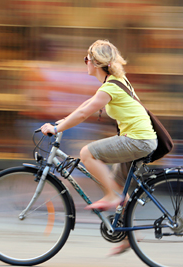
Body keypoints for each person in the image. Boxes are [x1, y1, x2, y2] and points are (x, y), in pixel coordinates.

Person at [40, 40, 157, 255]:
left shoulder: (111, 86)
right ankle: (129, 236)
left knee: (87, 153)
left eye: (86, 59)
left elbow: (85, 114)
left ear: (95, 62)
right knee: (115, 183)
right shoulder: (115, 82)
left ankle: (112, 197)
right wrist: (60, 123)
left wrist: (57, 130)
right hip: (142, 139)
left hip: (137, 140)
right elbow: (85, 106)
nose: (85, 63)